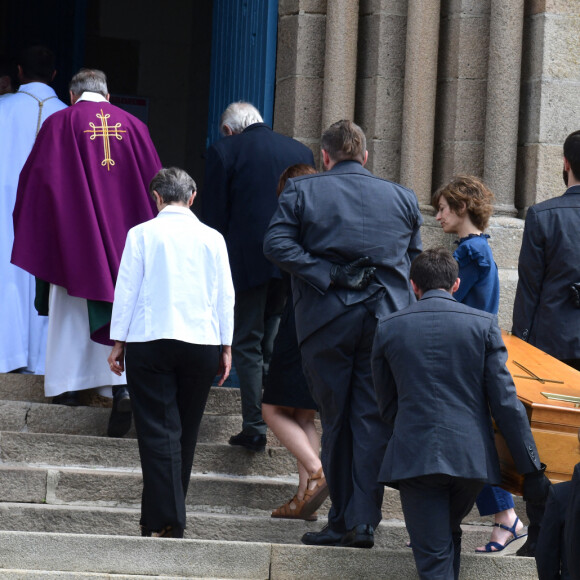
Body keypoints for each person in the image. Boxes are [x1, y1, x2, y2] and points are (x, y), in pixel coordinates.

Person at [264, 119, 423, 548]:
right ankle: (364, 522)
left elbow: (275, 245)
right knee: (370, 420)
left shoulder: (302, 190)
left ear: (325, 156)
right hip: (386, 322)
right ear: (366, 156)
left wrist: (329, 273)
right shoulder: (403, 197)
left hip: (327, 320)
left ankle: (341, 520)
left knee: (335, 420)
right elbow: (415, 261)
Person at [371, 248, 551, 580]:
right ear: (456, 284)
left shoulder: (389, 326)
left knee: (434, 555)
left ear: (413, 285)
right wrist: (532, 468)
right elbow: (506, 404)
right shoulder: (483, 324)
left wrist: (409, 430)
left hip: (416, 456)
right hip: (471, 460)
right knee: (445, 537)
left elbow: (385, 402)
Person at [11, 68, 162, 437]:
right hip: (126, 243)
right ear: (108, 97)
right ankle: (117, 384)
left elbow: (39, 182)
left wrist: (49, 230)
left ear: (73, 95)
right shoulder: (136, 128)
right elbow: (156, 185)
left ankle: (68, 388)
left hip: (74, 242)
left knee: (71, 309)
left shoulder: (60, 123)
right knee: (124, 307)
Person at [108, 167, 234, 538]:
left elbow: (127, 288)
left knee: (158, 431)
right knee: (184, 432)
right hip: (201, 343)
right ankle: (156, 519)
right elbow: (224, 295)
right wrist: (226, 345)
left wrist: (118, 341)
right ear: (192, 197)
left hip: (152, 339)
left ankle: (167, 520)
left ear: (157, 197)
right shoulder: (213, 238)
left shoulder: (142, 234)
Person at [203, 101, 315, 453]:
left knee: (247, 342)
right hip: (291, 261)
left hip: (246, 263)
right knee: (271, 340)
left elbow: (214, 220)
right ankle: (279, 415)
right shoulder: (299, 150)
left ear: (230, 129)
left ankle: (255, 425)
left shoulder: (224, 151)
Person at [432, 175, 524, 554]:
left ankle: (504, 517)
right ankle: (497, 518)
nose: (437, 216)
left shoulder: (470, 253)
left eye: (442, 209)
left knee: (470, 441)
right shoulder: (476, 249)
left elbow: (448, 303)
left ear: (462, 208)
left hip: (465, 359)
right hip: (469, 356)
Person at [513, 129, 580, 555]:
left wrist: (519, 353)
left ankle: (541, 534)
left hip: (549, 354)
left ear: (565, 163)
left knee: (545, 445)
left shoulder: (543, 215)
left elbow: (529, 294)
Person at [261, 163, 324, 522]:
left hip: (298, 320)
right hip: (325, 324)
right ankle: (304, 499)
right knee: (304, 414)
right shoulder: (330, 217)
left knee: (272, 408)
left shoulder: (298, 219)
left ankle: (317, 471)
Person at [0, 46, 67, 375]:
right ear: (54, 75)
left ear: (20, 72)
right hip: (49, 217)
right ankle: (43, 361)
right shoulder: (69, 116)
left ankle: (7, 354)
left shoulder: (2, 109)